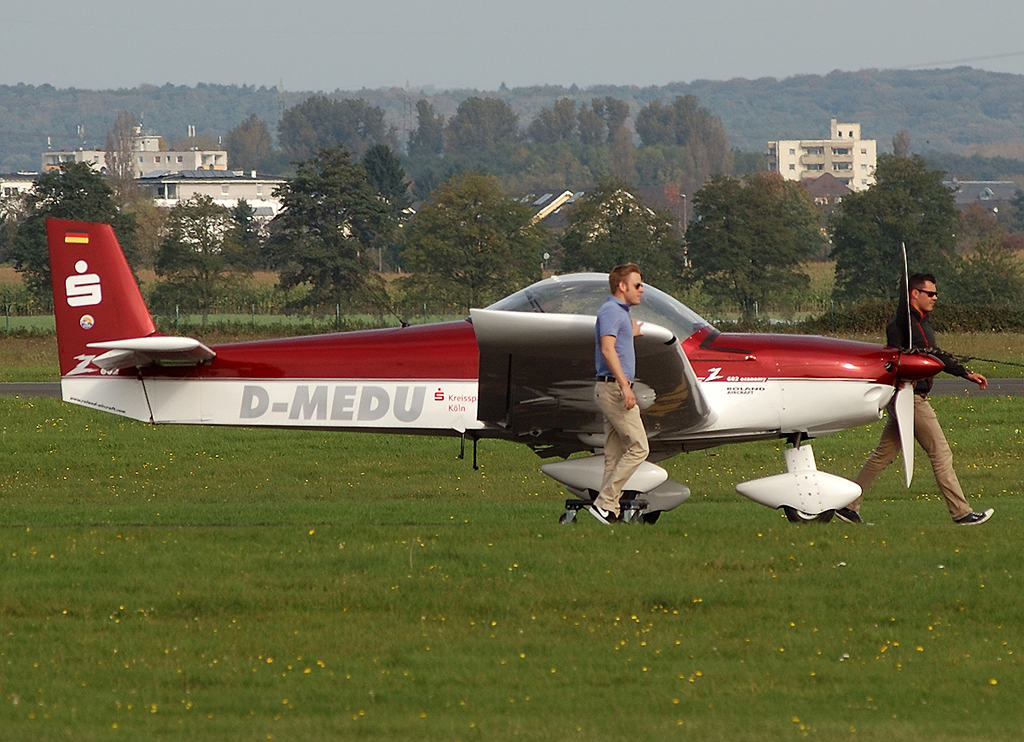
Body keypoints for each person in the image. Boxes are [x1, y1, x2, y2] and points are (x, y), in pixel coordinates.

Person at [837, 272, 994, 526]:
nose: (935, 298)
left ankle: (847, 506)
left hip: (908, 398)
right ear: (914, 294)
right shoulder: (902, 325)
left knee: (883, 455)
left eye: (936, 294)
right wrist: (964, 373)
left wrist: (965, 372)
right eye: (930, 293)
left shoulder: (922, 324)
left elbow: (935, 355)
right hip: (910, 397)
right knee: (940, 453)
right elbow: (919, 356)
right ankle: (962, 513)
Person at [589, 263, 650, 524]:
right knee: (639, 447)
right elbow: (607, 348)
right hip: (614, 389)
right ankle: (605, 503)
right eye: (637, 285)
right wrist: (625, 386)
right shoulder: (612, 311)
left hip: (611, 387)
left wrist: (630, 333)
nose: (642, 290)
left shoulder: (618, 313)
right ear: (621, 286)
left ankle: (607, 511)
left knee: (614, 455)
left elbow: (616, 343)